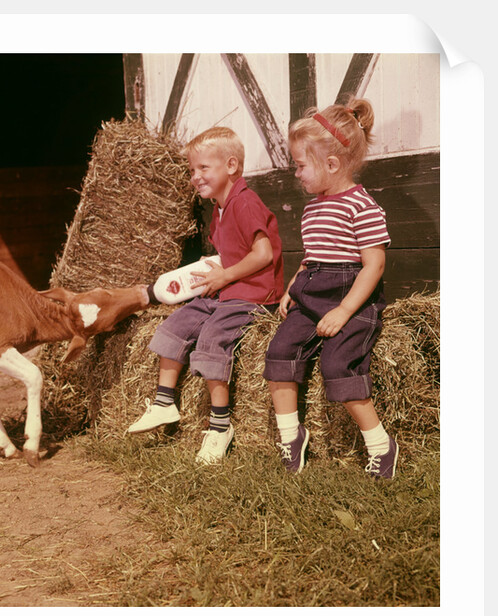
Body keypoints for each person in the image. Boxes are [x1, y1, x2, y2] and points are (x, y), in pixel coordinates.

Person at [128, 126, 284, 464]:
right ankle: (164, 402)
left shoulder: (246, 203)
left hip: (253, 295)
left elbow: (263, 255)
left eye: (203, 168)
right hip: (226, 289)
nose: (195, 177)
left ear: (231, 166)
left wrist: (225, 275)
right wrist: (210, 269)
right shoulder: (219, 207)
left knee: (212, 338)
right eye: (191, 170)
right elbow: (231, 252)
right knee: (176, 324)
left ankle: (219, 427)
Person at [263, 98, 398, 479]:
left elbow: (374, 265)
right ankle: (292, 436)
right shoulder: (312, 209)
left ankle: (380, 444)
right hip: (312, 291)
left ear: (332, 164)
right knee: (279, 351)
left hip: (352, 295)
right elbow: (312, 258)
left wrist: (344, 311)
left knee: (337, 363)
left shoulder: (362, 206)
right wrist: (293, 287)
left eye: (301, 165)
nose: (297, 174)